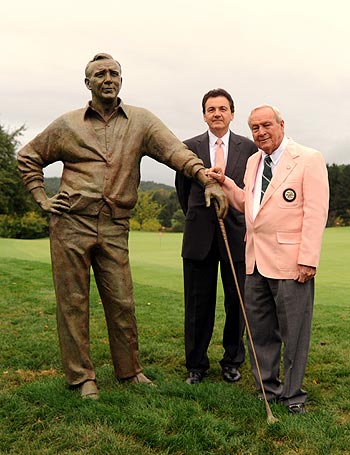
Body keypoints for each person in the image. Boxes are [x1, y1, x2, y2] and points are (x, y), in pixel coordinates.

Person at [17, 53, 228, 400]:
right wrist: (41, 198)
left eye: (114, 73)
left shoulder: (141, 122)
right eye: (99, 74)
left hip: (115, 225)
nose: (108, 78)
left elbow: (176, 152)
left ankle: (129, 371)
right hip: (71, 223)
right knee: (72, 302)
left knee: (122, 301)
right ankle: (81, 378)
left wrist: (206, 178)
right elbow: (28, 156)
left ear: (121, 80)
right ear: (88, 83)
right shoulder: (68, 125)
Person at [207, 104, 329, 413]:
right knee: (259, 332)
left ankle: (293, 396)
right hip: (255, 262)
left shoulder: (308, 159)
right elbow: (248, 204)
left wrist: (308, 259)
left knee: (294, 334)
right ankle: (268, 388)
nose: (261, 133)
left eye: (266, 126)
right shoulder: (252, 162)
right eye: (255, 128)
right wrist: (226, 183)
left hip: (292, 264)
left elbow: (316, 214)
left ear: (281, 124)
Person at [175, 89, 257, 385]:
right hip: (199, 238)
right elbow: (183, 194)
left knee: (236, 302)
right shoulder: (188, 147)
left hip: (237, 236)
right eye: (211, 109)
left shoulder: (248, 148)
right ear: (204, 115)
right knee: (198, 305)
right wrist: (201, 217)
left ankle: (232, 361)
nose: (217, 113)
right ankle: (196, 365)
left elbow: (251, 192)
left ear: (232, 114)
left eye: (223, 108)